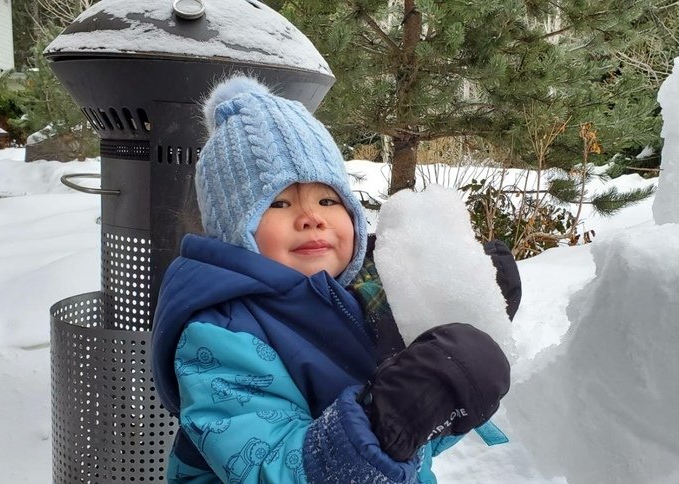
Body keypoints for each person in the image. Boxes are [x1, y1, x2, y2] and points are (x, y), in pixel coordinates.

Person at [151, 75, 515, 483]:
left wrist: (452, 359)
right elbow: (271, 468)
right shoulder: (220, 335)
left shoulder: (367, 295)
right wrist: (387, 422)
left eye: (328, 199)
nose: (312, 217)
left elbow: (414, 446)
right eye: (278, 202)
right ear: (234, 229)